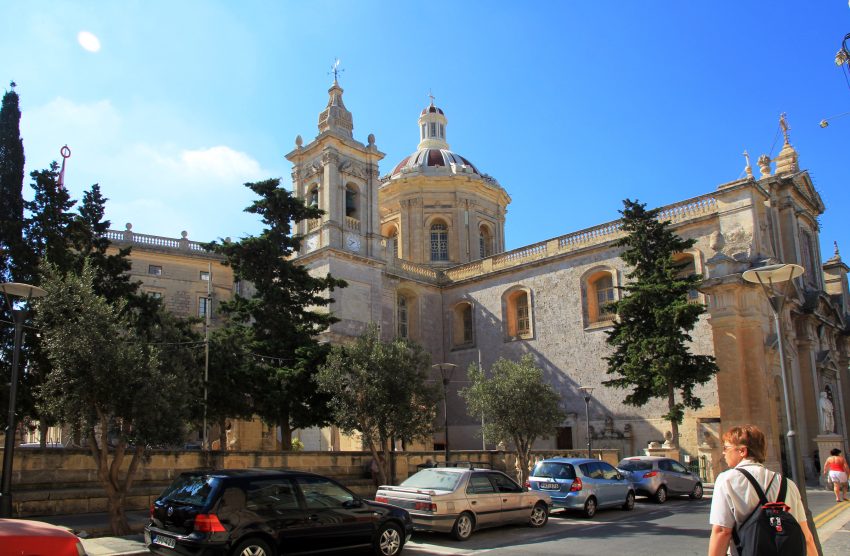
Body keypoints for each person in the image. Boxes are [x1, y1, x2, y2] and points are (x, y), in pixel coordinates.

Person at [708, 424, 816, 556]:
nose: (723, 452)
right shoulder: (788, 484)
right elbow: (807, 537)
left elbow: (721, 531)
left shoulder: (727, 480)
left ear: (742, 451)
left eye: (726, 448)